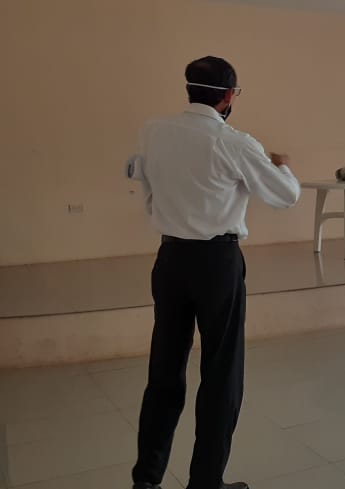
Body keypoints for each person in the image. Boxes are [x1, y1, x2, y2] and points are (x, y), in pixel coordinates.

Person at [127, 56, 300, 489]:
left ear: (189, 90)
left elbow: (142, 179)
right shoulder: (236, 142)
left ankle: (146, 479)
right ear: (227, 96)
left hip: (169, 260)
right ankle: (205, 482)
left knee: (164, 370)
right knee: (222, 374)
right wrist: (281, 164)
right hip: (217, 264)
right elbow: (285, 195)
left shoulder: (154, 131)